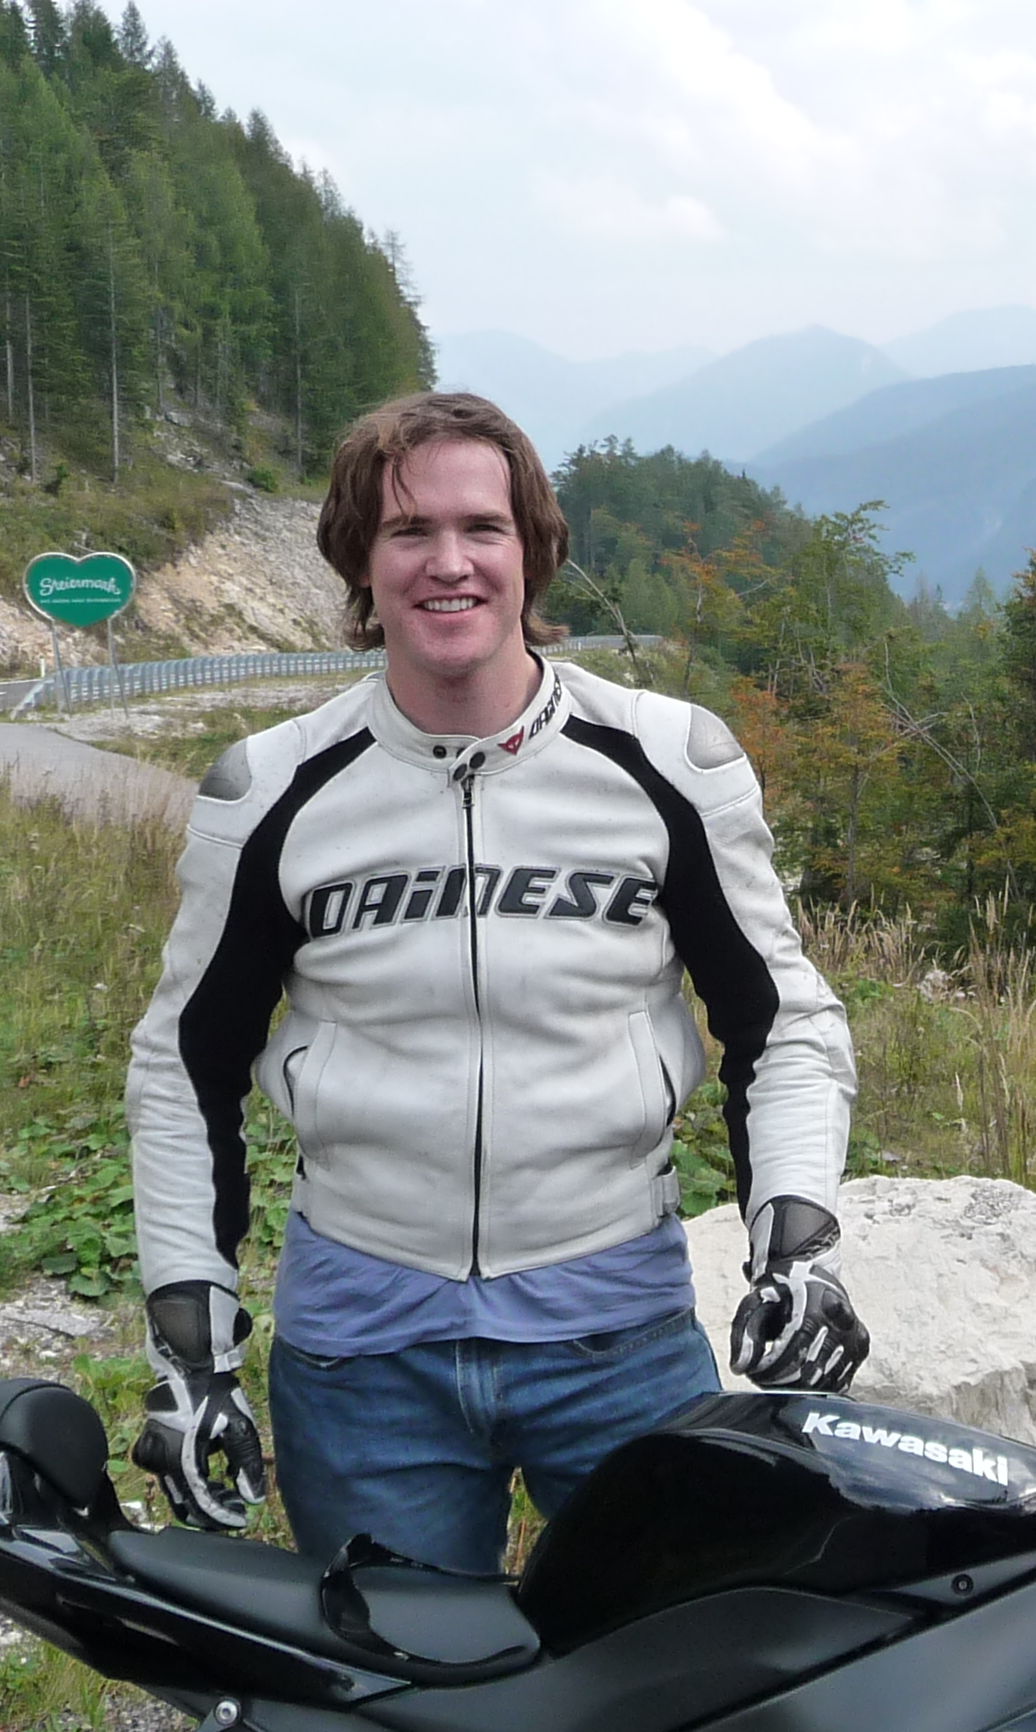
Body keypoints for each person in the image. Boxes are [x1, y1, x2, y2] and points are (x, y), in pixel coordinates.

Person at [122, 389, 866, 1570]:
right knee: (405, 1712)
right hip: (364, 1348)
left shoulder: (669, 762)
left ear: (535, 552)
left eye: (484, 528)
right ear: (362, 563)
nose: (449, 564)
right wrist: (187, 1343)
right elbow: (182, 1066)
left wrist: (800, 1246)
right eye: (408, 531)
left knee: (662, 1686)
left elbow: (783, 1024)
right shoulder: (270, 791)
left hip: (616, 1324)